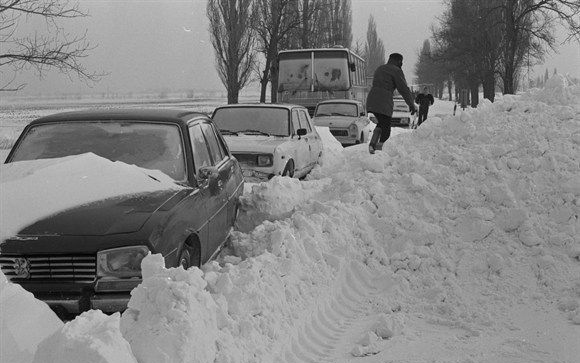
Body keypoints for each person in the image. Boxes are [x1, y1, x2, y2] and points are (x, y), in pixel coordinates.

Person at [366, 53, 417, 154]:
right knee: (386, 128)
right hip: (383, 101)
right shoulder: (396, 70)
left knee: (381, 123)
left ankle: (372, 145)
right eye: (401, 62)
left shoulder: (380, 68)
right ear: (398, 61)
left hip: (372, 100)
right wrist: (411, 104)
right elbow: (403, 89)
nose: (402, 64)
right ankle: (381, 150)